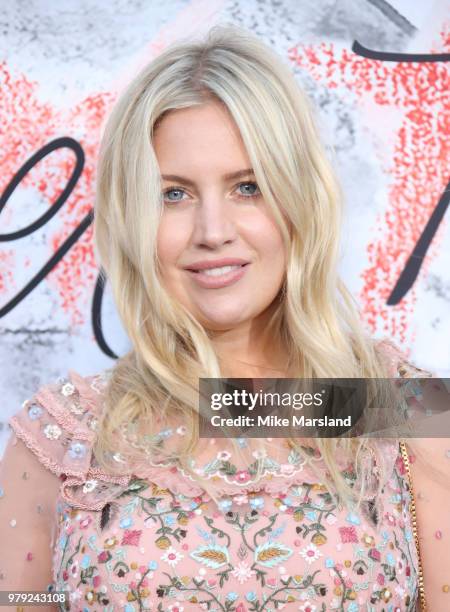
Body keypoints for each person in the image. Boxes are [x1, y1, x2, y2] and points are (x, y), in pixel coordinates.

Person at [1, 23, 449, 612]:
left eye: (248, 186)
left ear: (299, 199)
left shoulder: (396, 407)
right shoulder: (63, 436)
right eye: (174, 194)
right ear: (131, 213)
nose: (213, 232)